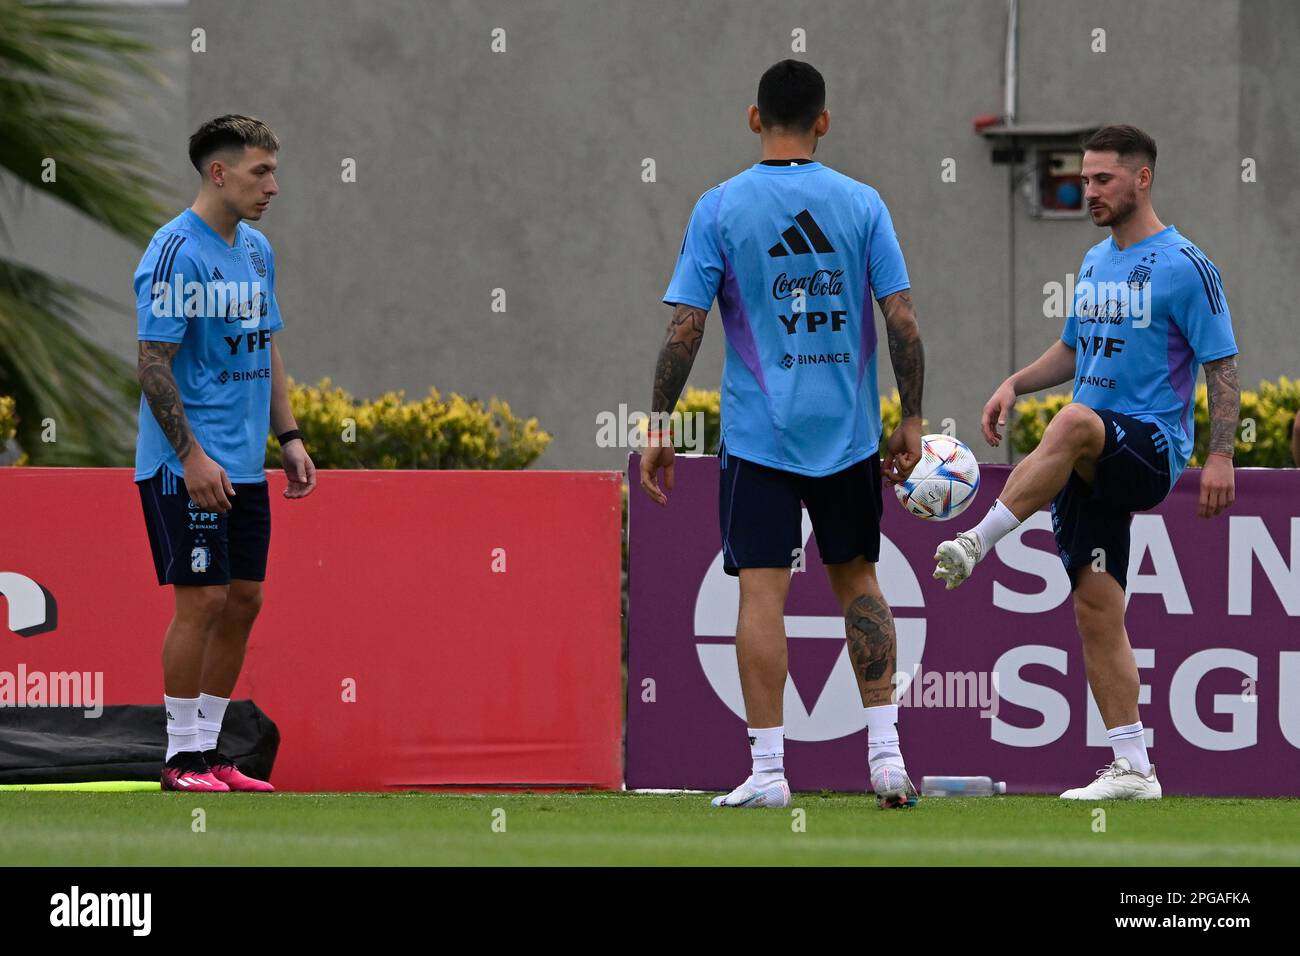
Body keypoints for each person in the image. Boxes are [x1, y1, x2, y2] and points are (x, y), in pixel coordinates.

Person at [641, 61, 926, 809]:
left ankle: (770, 773)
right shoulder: (863, 204)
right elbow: (901, 319)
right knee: (859, 580)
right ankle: (887, 760)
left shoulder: (720, 207)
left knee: (760, 595)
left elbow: (685, 327)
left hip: (761, 439)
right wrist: (914, 417)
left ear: (753, 117)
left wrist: (659, 423)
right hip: (852, 437)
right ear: (824, 122)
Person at [933, 125, 1240, 800]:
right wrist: (1015, 383)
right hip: (1087, 453)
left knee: (1071, 420)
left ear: (1142, 179)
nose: (1088, 189)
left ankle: (975, 541)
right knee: (1097, 609)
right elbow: (1074, 351)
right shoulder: (1097, 261)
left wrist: (1220, 453)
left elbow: (1221, 362)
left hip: (1149, 448)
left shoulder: (1187, 264)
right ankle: (1134, 768)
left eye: (1102, 178)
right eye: (1085, 177)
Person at [135, 115, 317, 792]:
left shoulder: (257, 250)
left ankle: (211, 754)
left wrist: (290, 437)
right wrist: (191, 458)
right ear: (219, 173)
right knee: (203, 600)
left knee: (245, 598)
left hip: (244, 463)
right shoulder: (174, 252)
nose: (273, 185)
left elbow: (265, 344)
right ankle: (180, 758)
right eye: (260, 172)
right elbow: (153, 363)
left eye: (273, 170)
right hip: (185, 464)